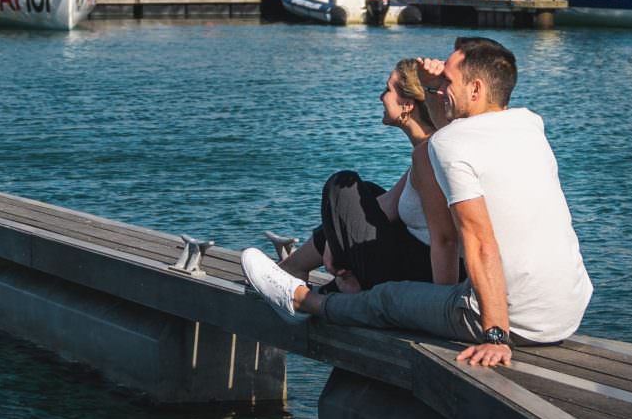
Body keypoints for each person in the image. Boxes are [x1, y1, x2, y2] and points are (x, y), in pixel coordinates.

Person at [242, 36, 592, 367]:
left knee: (389, 299)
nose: (440, 85)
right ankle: (309, 280)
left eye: (447, 80)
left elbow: (478, 241)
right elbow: (456, 131)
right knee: (376, 222)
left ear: (475, 88)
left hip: (512, 322)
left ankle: (301, 300)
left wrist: (496, 335)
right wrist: (437, 82)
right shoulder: (529, 127)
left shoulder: (451, 145)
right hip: (566, 315)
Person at [276, 59, 456, 294]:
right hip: (417, 264)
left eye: (388, 90)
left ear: (407, 105)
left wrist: (337, 239)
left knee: (341, 186)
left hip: (422, 277)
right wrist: (334, 237)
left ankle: (328, 279)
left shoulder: (432, 151)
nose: (381, 97)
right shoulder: (429, 148)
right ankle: (294, 268)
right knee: (367, 193)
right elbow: (387, 204)